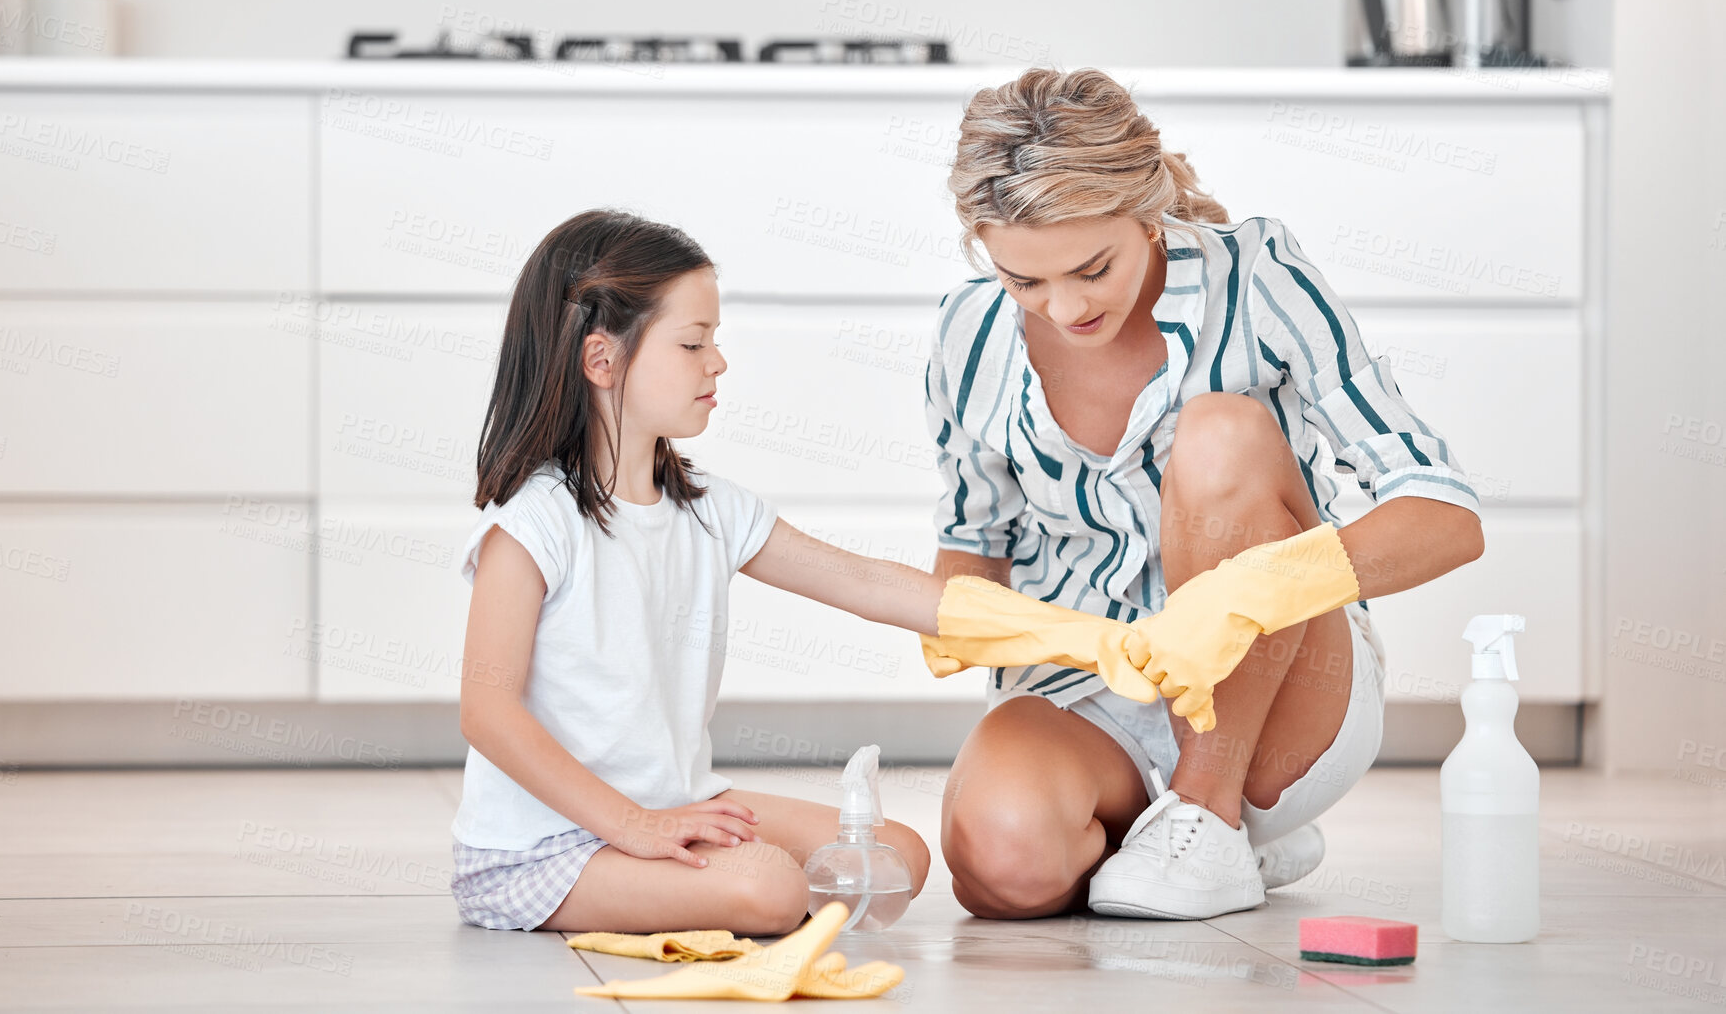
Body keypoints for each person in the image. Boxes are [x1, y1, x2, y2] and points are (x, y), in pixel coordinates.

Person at [927, 67, 1485, 921]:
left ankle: (1207, 811)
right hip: (1087, 689)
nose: (1063, 307)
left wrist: (1263, 586)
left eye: (1091, 267)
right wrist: (974, 618)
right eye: (1024, 282)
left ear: (1147, 211)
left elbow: (1445, 515)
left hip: (1278, 689)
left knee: (1219, 428)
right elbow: (974, 539)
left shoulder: (1257, 276)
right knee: (1003, 870)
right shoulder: (968, 334)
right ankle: (1204, 843)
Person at [448, 209, 944, 934]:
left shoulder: (709, 509)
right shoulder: (533, 524)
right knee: (770, 886)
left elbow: (864, 582)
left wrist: (1060, 631)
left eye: (714, 341)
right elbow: (486, 711)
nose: (717, 363)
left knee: (896, 855)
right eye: (692, 343)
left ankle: (700, 880)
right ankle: (706, 884)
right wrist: (632, 824)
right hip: (542, 847)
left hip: (672, 802)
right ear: (601, 361)